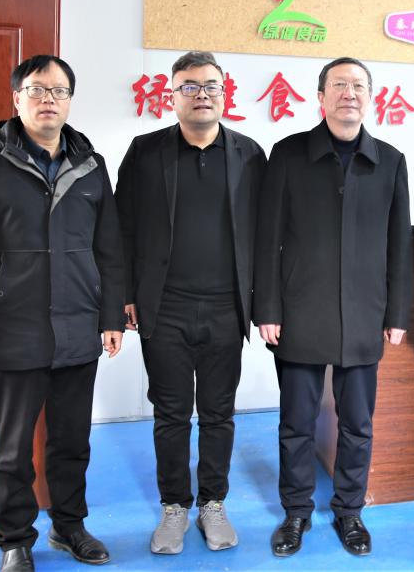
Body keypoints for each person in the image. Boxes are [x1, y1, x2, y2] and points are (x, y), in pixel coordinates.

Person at [0, 55, 125, 572]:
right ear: (16, 98)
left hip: (77, 327)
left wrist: (111, 316)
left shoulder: (91, 165)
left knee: (72, 441)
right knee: (12, 448)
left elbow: (109, 248)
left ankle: (69, 526)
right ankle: (14, 539)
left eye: (59, 91)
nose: (49, 100)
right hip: (12, 330)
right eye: (38, 89)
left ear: (70, 101)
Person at [254, 57, 412, 557]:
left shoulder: (390, 161)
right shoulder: (288, 154)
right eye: (339, 85)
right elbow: (267, 238)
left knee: (357, 424)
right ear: (320, 97)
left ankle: (350, 511)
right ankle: (296, 511)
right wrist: (267, 308)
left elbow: (399, 245)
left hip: (364, 312)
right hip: (300, 309)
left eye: (358, 85)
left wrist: (397, 314)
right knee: (297, 423)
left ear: (371, 97)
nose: (350, 93)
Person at [115, 51, 266, 554]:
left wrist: (263, 304)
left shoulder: (249, 154)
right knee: (171, 413)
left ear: (224, 93)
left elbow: (265, 236)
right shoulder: (145, 152)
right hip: (165, 308)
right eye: (189, 86)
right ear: (173, 95)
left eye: (210, 85)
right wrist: (125, 295)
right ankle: (175, 507)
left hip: (226, 308)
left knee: (219, 413)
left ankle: (213, 503)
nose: (201, 94)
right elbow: (121, 227)